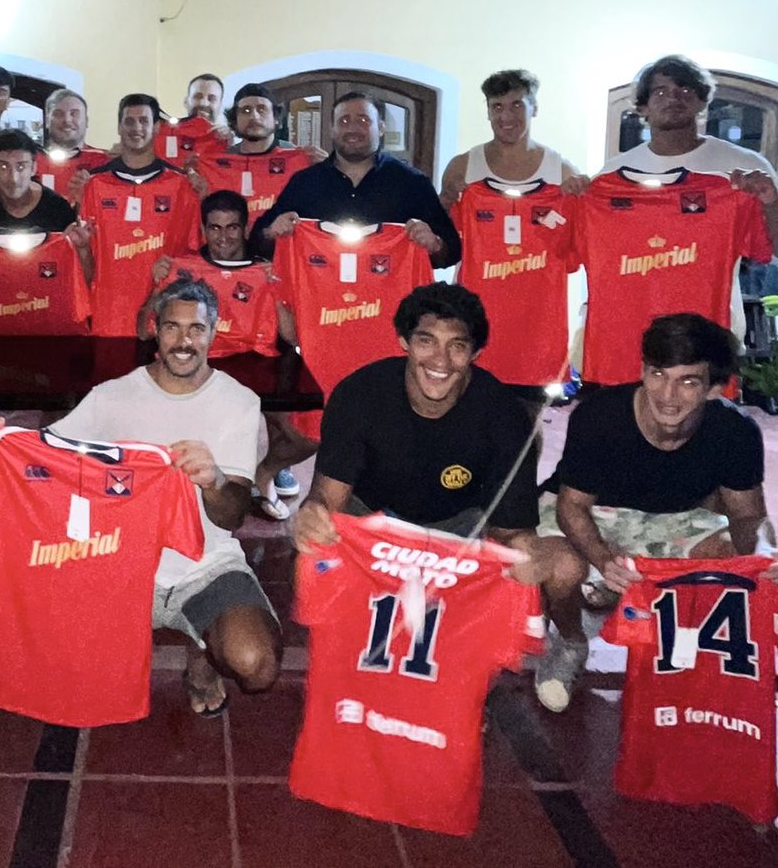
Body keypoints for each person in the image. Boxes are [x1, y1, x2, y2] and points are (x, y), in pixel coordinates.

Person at [0, 277, 281, 717]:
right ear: (154, 328)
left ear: (214, 332)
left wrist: (215, 480)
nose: (184, 341)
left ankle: (201, 656)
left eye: (196, 329)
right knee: (58, 669)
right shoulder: (110, 396)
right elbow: (42, 458)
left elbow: (231, 516)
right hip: (113, 562)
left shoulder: (239, 402)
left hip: (203, 564)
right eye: (172, 327)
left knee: (257, 667)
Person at [293, 282, 587, 702]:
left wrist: (525, 557)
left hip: (461, 526)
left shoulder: (503, 416)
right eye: (426, 342)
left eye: (457, 346)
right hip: (377, 521)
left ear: (475, 353)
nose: (441, 360)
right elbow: (328, 501)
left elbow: (509, 531)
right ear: (404, 343)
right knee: (310, 551)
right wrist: (311, 518)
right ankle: (346, 657)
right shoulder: (359, 394)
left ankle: (567, 642)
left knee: (563, 567)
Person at [538, 312, 777, 711]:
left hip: (674, 519)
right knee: (555, 566)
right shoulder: (599, 416)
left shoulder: (735, 432)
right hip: (597, 512)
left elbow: (747, 517)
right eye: (658, 374)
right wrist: (600, 557)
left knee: (735, 562)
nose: (668, 395)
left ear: (714, 389)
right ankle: (570, 642)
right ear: (643, 370)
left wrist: (762, 556)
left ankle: (684, 655)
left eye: (688, 381)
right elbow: (572, 505)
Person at [136, 190, 296, 515]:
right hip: (193, 371)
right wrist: (157, 286)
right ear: (204, 230)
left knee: (308, 434)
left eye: (232, 227)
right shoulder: (182, 268)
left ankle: (262, 474)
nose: (223, 237)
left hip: (253, 369)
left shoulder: (265, 271)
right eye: (215, 228)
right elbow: (143, 330)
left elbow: (291, 336)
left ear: (245, 229)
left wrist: (277, 289)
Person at [250, 91, 461, 268]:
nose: (352, 129)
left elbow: (452, 252)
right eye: (344, 121)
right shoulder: (305, 183)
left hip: (391, 308)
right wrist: (272, 232)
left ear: (381, 127)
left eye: (363, 120)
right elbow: (257, 243)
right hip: (319, 306)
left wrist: (435, 244)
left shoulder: (412, 183)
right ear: (332, 129)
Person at [599, 54, 778, 251]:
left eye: (685, 90)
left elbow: (773, 247)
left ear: (701, 102)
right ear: (643, 107)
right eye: (660, 92)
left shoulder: (745, 164)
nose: (673, 98)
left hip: (716, 282)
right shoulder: (612, 174)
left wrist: (770, 202)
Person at [0, 128, 93, 281]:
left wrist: (82, 249)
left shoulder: (58, 209)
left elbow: (79, 277)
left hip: (43, 296)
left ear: (33, 167)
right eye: (3, 166)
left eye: (21, 166)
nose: (13, 178)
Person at [439, 69, 587, 209]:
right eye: (497, 107)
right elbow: (440, 228)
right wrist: (447, 199)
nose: (506, 116)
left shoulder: (562, 171)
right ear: (488, 112)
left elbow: (580, 230)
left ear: (534, 108)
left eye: (516, 105)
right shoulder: (461, 167)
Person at [37, 88, 107, 205]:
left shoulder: (105, 161)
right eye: (58, 114)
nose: (67, 120)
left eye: (74, 113)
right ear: (47, 121)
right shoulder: (31, 161)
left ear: (87, 121)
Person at [224, 82, 327, 162]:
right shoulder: (224, 160)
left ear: (276, 118)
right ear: (235, 119)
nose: (254, 116)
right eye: (246, 110)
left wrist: (328, 170)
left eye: (261, 109)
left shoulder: (299, 158)